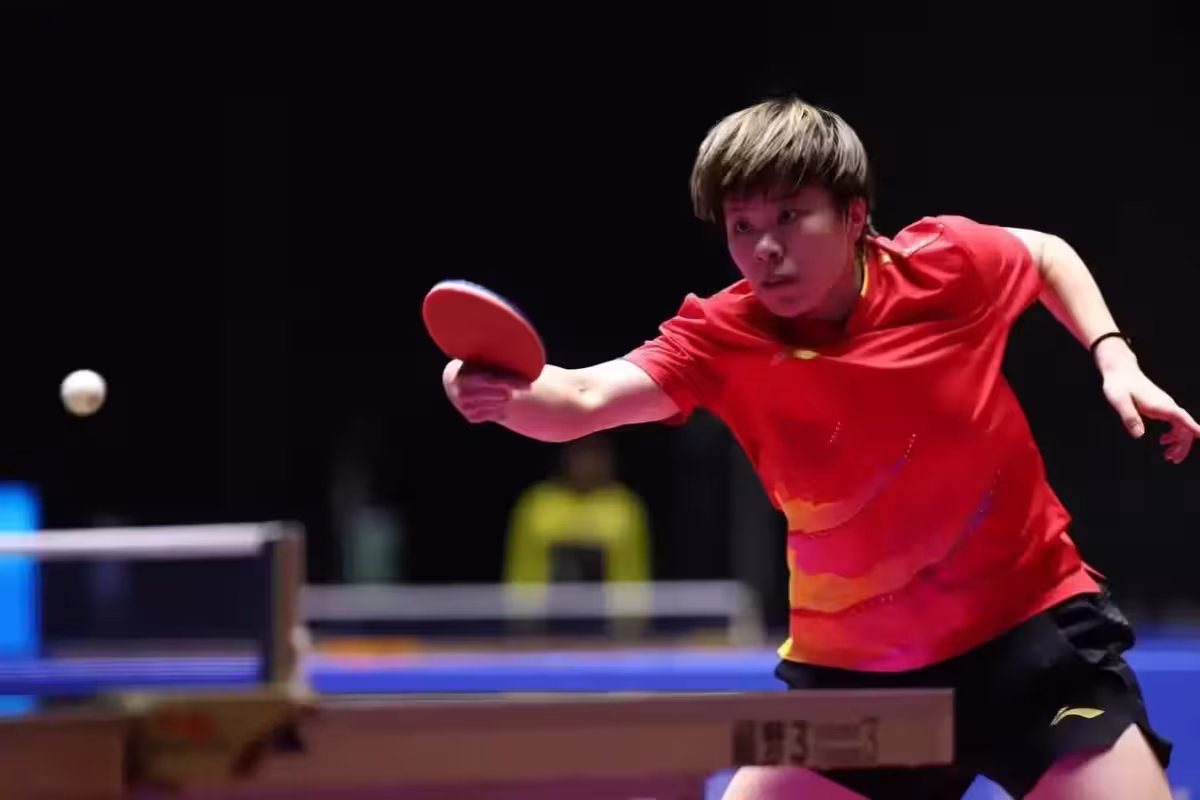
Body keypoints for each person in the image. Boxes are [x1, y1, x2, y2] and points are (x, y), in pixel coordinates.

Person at [441, 96, 1196, 799]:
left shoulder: (944, 266)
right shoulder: (719, 336)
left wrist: (1114, 355)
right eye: (742, 227)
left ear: (854, 213)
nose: (764, 249)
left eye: (789, 216)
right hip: (860, 671)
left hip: (1030, 639)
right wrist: (485, 384)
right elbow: (577, 399)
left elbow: (1045, 254)